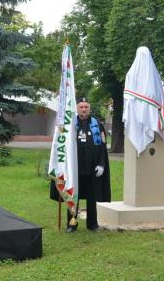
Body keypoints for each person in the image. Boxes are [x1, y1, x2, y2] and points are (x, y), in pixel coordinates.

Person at [65, 97, 111, 233]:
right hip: (75, 169)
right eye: (81, 107)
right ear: (77, 109)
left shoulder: (97, 124)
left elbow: (102, 148)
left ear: (89, 109)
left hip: (92, 169)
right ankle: (71, 224)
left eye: (86, 107)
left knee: (92, 197)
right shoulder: (70, 124)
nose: (84, 109)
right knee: (73, 196)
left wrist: (101, 165)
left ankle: (92, 224)